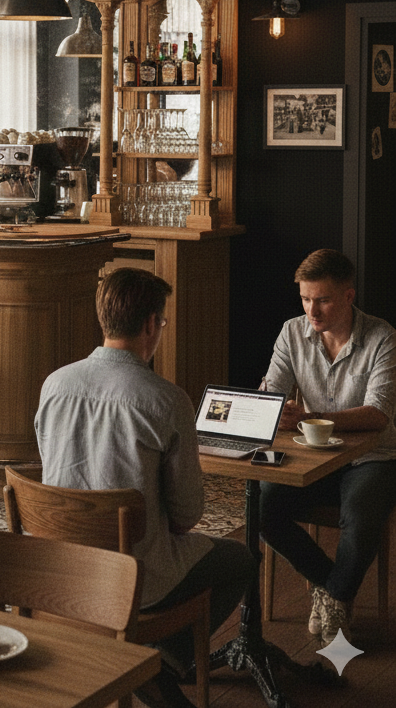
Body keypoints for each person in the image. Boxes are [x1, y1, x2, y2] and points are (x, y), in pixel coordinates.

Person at [35, 268, 255, 708]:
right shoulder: (166, 400)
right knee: (241, 559)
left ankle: (145, 662)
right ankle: (158, 659)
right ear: (152, 324)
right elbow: (186, 516)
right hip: (130, 580)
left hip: (58, 567)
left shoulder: (54, 385)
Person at [259, 249, 396, 645]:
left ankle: (333, 596)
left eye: (322, 300)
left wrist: (309, 416)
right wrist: (271, 405)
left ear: (349, 296)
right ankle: (333, 589)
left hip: (372, 457)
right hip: (313, 455)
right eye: (305, 299)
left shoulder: (382, 337)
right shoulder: (292, 332)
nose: (311, 311)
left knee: (362, 517)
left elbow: (377, 415)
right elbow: (272, 390)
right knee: (263, 505)